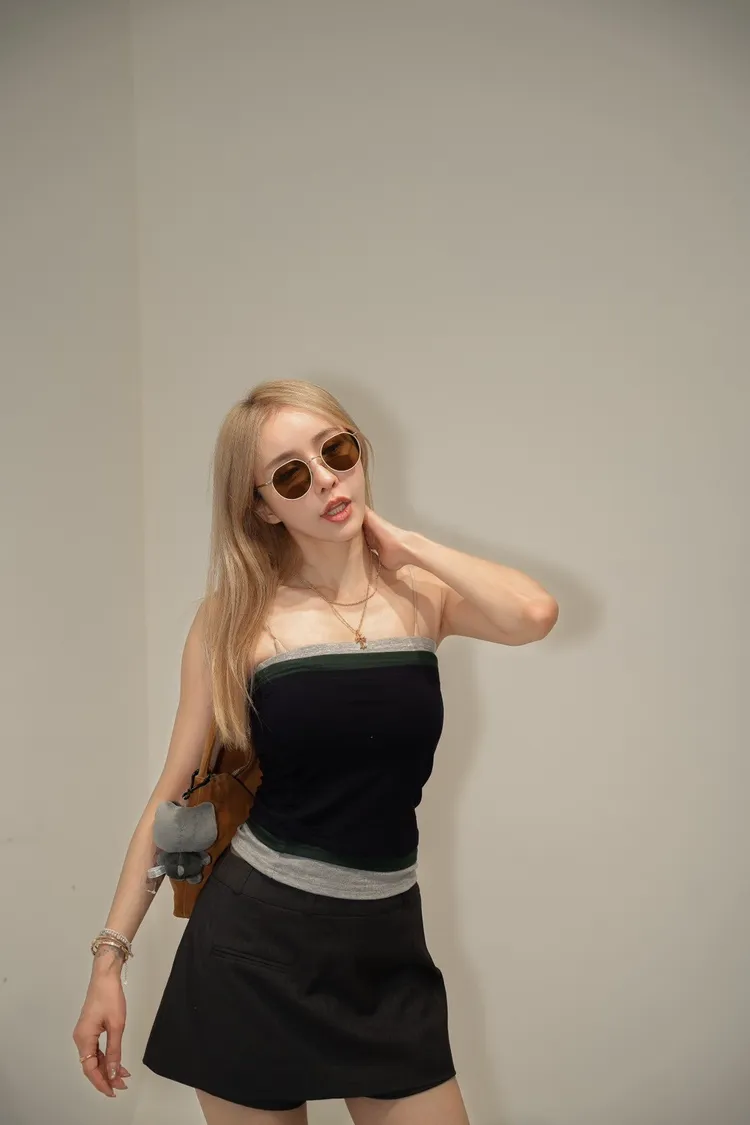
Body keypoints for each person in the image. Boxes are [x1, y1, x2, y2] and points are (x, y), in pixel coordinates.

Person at [73, 379, 559, 1124]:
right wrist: (109, 960)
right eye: (292, 475)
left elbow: (534, 613)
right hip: (254, 949)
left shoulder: (420, 594)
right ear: (264, 506)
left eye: (337, 450)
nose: (327, 479)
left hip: (387, 947)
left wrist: (409, 544)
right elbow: (171, 800)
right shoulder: (236, 622)